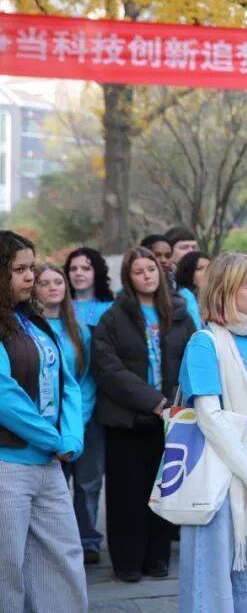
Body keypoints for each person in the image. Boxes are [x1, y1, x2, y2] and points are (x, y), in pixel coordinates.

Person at [177, 253, 247, 613]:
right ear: (225, 291)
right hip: (219, 483)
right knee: (209, 589)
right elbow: (210, 418)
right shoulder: (204, 343)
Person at [92, 246, 197, 582]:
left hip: (171, 417)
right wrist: (152, 400)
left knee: (164, 488)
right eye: (138, 272)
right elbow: (107, 368)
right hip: (127, 420)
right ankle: (127, 561)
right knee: (127, 493)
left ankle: (157, 557)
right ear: (128, 277)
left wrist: (176, 404)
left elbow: (194, 359)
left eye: (151, 269)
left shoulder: (179, 313)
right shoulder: (113, 317)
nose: (147, 276)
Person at [0, 231, 87, 612]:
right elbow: (5, 397)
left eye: (31, 267)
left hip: (50, 463)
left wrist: (71, 438)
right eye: (18, 269)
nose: (29, 276)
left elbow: (68, 383)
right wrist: (54, 439)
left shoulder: (33, 321)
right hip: (8, 466)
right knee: (7, 571)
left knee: (63, 562)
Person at [34, 263, 96, 563]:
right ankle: (55, 545)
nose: (52, 288)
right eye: (44, 283)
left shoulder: (79, 330)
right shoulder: (28, 328)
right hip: (43, 423)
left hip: (80, 420)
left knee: (87, 484)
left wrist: (77, 420)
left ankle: (88, 540)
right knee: (52, 487)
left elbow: (86, 378)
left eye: (57, 282)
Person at [63, 246, 114, 564]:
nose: (79, 273)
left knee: (89, 478)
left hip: (98, 408)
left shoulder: (110, 310)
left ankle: (88, 538)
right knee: (59, 478)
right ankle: (62, 539)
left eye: (86, 267)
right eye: (73, 268)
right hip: (61, 407)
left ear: (97, 272)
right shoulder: (56, 307)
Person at [175, 250, 212, 329]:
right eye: (200, 268)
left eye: (210, 268)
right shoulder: (185, 296)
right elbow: (196, 329)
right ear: (188, 272)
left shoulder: (210, 297)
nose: (207, 272)